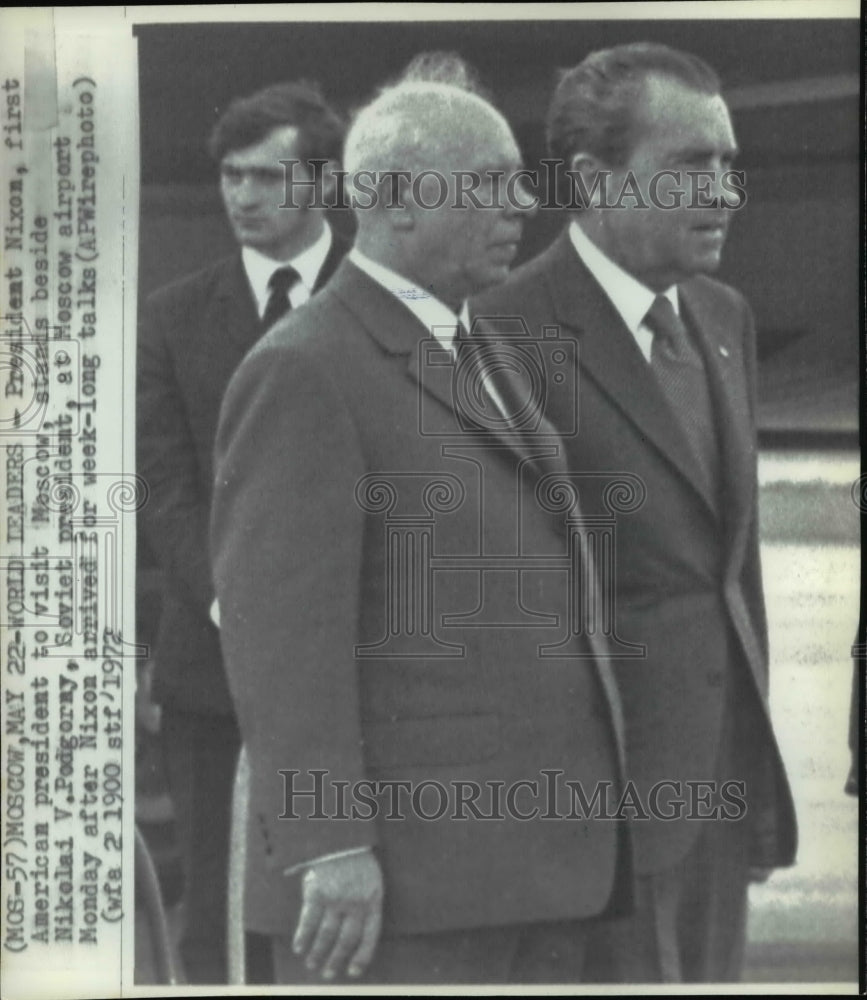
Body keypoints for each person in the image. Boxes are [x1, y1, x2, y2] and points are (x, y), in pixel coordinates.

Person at [211, 78, 631, 985]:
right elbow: (280, 642)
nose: (522, 204)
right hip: (401, 898)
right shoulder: (305, 368)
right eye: (489, 182)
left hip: (524, 876)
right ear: (395, 200)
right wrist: (327, 847)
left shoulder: (479, 348)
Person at [471, 42, 798, 983]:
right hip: (585, 827)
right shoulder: (499, 334)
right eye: (691, 165)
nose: (725, 192)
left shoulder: (722, 317)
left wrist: (757, 790)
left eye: (729, 165)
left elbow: (728, 571)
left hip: (718, 805)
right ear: (593, 179)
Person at [137, 80, 348, 983]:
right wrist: (231, 601)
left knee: (343, 907)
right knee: (215, 928)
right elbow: (164, 488)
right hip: (209, 670)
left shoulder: (386, 301)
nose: (242, 196)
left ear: (324, 183)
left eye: (266, 176)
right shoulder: (173, 316)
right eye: (230, 175)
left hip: (355, 662)